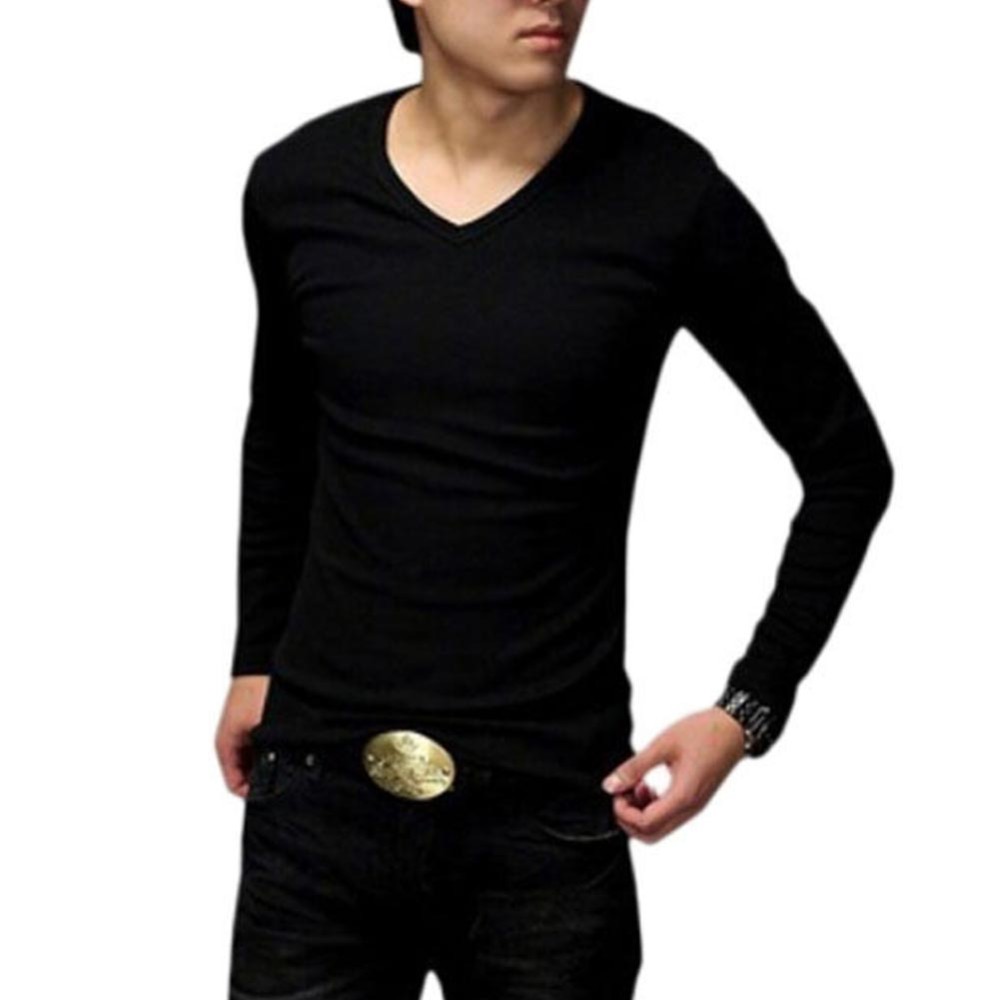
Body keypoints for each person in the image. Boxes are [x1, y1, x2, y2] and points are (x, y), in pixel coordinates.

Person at [217, 1, 894, 997]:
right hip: (316, 805)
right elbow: (283, 441)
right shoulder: (298, 185)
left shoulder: (667, 195)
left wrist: (745, 711)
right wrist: (255, 656)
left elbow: (847, 463)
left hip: (546, 828)